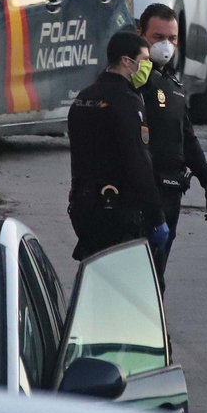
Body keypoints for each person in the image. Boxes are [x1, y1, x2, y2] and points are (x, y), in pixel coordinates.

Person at [136, 4, 207, 287]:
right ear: (141, 35)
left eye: (171, 39)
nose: (165, 44)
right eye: (157, 37)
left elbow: (187, 137)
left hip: (172, 193)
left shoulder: (173, 82)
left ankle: (155, 330)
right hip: (145, 194)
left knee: (157, 272)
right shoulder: (134, 82)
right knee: (144, 275)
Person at [67, 31, 167, 260]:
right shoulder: (126, 101)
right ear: (126, 61)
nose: (148, 67)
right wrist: (157, 217)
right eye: (144, 60)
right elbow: (139, 164)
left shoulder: (84, 97)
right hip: (117, 210)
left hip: (83, 205)